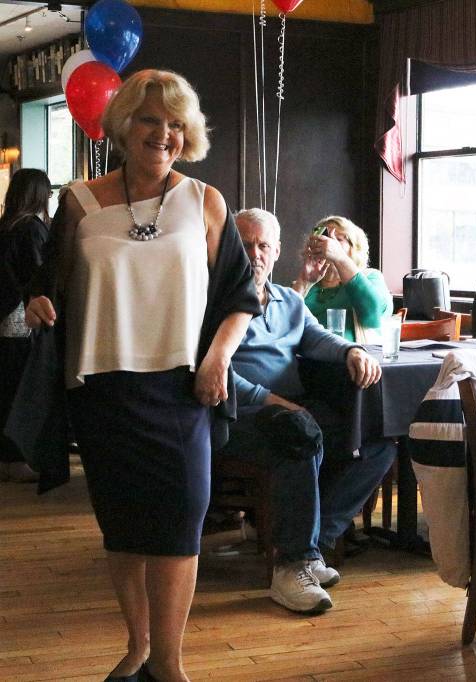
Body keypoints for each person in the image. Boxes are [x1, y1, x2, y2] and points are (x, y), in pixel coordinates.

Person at [23, 70, 260, 682]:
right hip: (101, 389)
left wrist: (217, 360)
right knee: (123, 530)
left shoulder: (206, 201)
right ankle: (137, 648)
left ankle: (171, 666)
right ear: (123, 127)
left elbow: (240, 297)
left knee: (181, 528)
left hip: (182, 389)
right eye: (151, 120)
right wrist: (37, 303)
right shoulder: (77, 202)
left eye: (176, 124)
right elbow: (46, 287)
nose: (164, 134)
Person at [230, 208, 395, 614]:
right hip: (241, 414)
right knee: (299, 433)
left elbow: (317, 337)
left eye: (263, 245)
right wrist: (269, 400)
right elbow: (210, 371)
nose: (255, 254)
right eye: (246, 244)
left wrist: (352, 350)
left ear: (277, 250)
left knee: (378, 443)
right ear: (228, 247)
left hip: (290, 410)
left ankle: (314, 545)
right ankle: (290, 569)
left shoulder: (288, 299)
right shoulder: (213, 299)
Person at [0, 168, 51, 483]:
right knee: (21, 391)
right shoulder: (32, 229)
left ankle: (6, 458)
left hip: (3, 319)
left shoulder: (5, 227)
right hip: (22, 320)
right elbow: (39, 276)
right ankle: (16, 458)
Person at [291, 215, 392, 341]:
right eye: (323, 238)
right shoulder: (306, 283)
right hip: (305, 358)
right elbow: (281, 325)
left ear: (354, 247)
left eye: (337, 239)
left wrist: (340, 258)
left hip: (353, 357)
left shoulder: (370, 278)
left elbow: (373, 318)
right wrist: (303, 281)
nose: (328, 244)